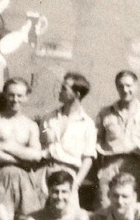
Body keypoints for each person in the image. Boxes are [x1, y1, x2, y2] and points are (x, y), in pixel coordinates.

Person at [0, 77, 45, 220]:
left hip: (24, 183)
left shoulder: (31, 125)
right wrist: (21, 160)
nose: (15, 99)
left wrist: (6, 146)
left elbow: (36, 156)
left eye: (19, 95)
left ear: (26, 97)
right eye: (11, 95)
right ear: (5, 94)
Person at [95, 70, 140, 208]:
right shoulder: (105, 113)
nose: (125, 90)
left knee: (138, 207)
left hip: (137, 166)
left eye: (129, 86)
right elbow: (97, 142)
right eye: (120, 86)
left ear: (136, 86)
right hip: (111, 165)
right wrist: (102, 169)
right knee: (104, 205)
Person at [39, 72, 98, 206]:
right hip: (45, 173)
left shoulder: (87, 124)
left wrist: (75, 184)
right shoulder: (49, 118)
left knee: (67, 218)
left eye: (64, 88)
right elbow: (41, 144)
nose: (60, 91)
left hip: (68, 176)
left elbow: (88, 158)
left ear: (77, 95)